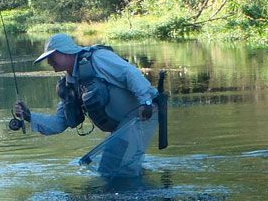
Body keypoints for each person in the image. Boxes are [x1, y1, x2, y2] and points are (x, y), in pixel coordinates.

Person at [13, 33, 159, 175]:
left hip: (142, 115)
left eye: (51, 56)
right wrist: (29, 116)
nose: (49, 62)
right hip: (123, 125)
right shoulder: (69, 85)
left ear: (65, 52)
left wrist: (145, 102)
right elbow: (59, 123)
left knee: (120, 172)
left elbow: (130, 73)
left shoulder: (98, 58)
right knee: (109, 170)